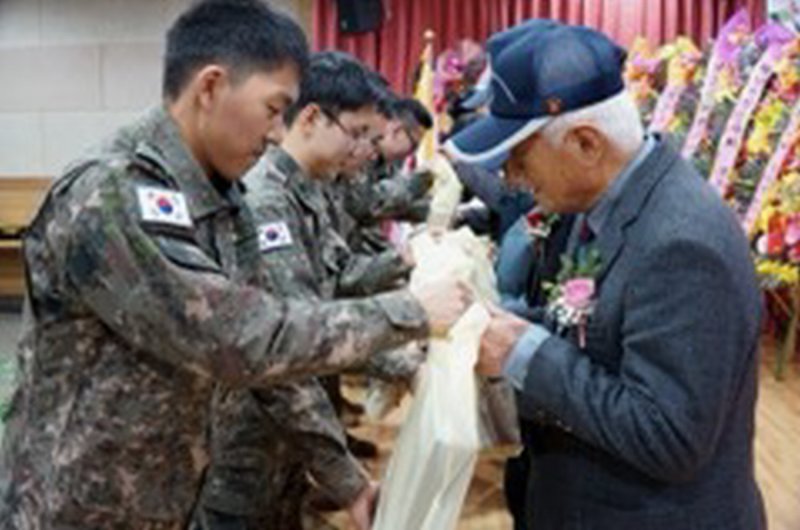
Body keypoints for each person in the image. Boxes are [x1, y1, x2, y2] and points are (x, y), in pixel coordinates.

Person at [0, 2, 470, 527]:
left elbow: (272, 362)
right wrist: (406, 313)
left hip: (168, 494)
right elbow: (233, 338)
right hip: (77, 507)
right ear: (210, 87)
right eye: (272, 109)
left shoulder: (224, 198)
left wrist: (345, 479)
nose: (276, 133)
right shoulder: (114, 193)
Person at [446, 22, 765, 530]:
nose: (509, 178)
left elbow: (670, 434)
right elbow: (592, 330)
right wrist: (499, 324)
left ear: (586, 144)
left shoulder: (682, 243)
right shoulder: (598, 205)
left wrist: (523, 352)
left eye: (518, 157)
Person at [197, 51, 417, 530]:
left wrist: (402, 360)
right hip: (250, 444)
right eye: (358, 134)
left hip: (295, 436)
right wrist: (348, 481)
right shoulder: (267, 200)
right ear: (313, 117)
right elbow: (287, 351)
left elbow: (331, 295)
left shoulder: (309, 189)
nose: (365, 151)